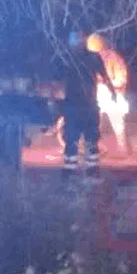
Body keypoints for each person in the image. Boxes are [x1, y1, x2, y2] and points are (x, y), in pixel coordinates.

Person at [59, 31, 111, 171]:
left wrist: (111, 90)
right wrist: (112, 91)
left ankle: (75, 171)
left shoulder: (68, 58)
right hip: (84, 104)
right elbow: (105, 76)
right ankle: (83, 170)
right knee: (83, 138)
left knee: (81, 138)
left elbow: (104, 76)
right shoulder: (91, 58)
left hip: (79, 105)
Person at [85, 32, 132, 155]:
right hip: (97, 93)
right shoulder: (90, 59)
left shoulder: (113, 57)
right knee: (93, 122)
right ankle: (92, 148)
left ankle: (123, 149)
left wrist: (115, 86)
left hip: (112, 94)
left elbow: (121, 76)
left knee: (117, 122)